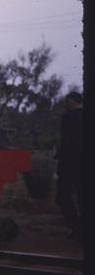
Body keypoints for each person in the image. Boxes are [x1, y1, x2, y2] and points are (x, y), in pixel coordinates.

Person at [55, 91, 83, 241]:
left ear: (72, 101)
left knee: (62, 196)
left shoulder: (68, 117)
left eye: (67, 100)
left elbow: (66, 142)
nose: (65, 103)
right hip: (83, 164)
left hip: (69, 163)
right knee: (83, 197)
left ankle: (76, 228)